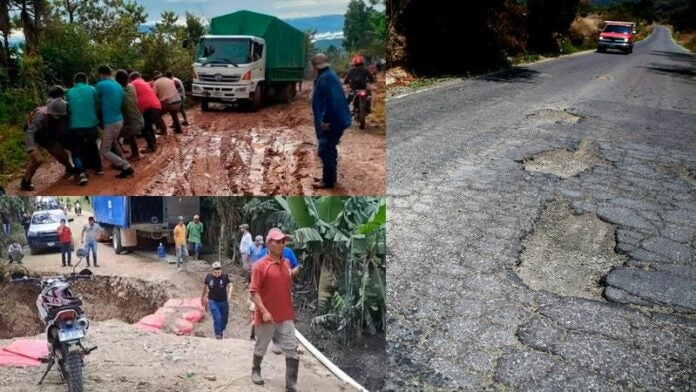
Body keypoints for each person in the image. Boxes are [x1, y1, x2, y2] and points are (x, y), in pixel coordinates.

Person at [249, 228, 300, 391]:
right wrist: (263, 311)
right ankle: (255, 370)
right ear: (268, 244)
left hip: (285, 315)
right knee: (261, 346)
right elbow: (254, 292)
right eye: (278, 241)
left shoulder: (286, 264)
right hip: (267, 315)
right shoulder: (260, 266)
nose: (282, 244)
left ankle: (291, 383)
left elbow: (286, 281)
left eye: (283, 241)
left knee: (291, 348)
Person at [310, 53, 352, 189]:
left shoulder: (325, 78)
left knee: (325, 149)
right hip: (336, 119)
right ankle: (329, 177)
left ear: (315, 66)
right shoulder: (328, 75)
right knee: (330, 148)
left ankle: (328, 181)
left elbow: (332, 102)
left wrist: (325, 121)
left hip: (331, 122)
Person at [20, 90, 76, 191]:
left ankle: (69, 168)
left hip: (47, 137)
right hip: (35, 136)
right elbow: (30, 131)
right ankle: (25, 182)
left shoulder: (63, 111)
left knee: (61, 154)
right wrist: (31, 148)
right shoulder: (41, 115)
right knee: (37, 160)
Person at [95, 65, 134, 178]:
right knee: (113, 143)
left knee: (104, 150)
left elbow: (95, 100)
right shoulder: (118, 85)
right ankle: (122, 164)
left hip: (110, 121)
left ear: (101, 74)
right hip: (119, 119)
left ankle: (126, 166)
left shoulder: (100, 85)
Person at [66, 72, 102, 186]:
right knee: (93, 145)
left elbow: (67, 108)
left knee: (76, 151)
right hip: (91, 124)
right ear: (86, 80)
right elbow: (98, 103)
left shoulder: (68, 92)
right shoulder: (93, 90)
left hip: (75, 126)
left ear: (74, 82)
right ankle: (98, 169)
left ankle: (81, 173)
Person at [129, 72, 166, 153]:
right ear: (140, 77)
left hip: (148, 108)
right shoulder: (144, 83)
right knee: (148, 126)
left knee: (144, 127)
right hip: (157, 106)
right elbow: (151, 83)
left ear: (131, 78)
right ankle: (153, 144)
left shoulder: (132, 84)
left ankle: (152, 146)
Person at [115, 69, 145, 161]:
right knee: (130, 133)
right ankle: (136, 154)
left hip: (133, 124)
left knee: (112, 136)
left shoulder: (118, 91)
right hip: (140, 119)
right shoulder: (131, 87)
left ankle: (119, 161)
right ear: (128, 79)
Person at [201, 261, 232, 339]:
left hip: (224, 301)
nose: (217, 274)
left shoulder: (225, 276)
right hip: (213, 301)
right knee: (217, 318)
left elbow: (231, 285)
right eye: (215, 272)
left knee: (224, 320)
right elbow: (204, 287)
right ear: (212, 271)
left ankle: (221, 330)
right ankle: (218, 335)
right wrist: (202, 297)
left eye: (219, 272)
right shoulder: (208, 277)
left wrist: (229, 294)